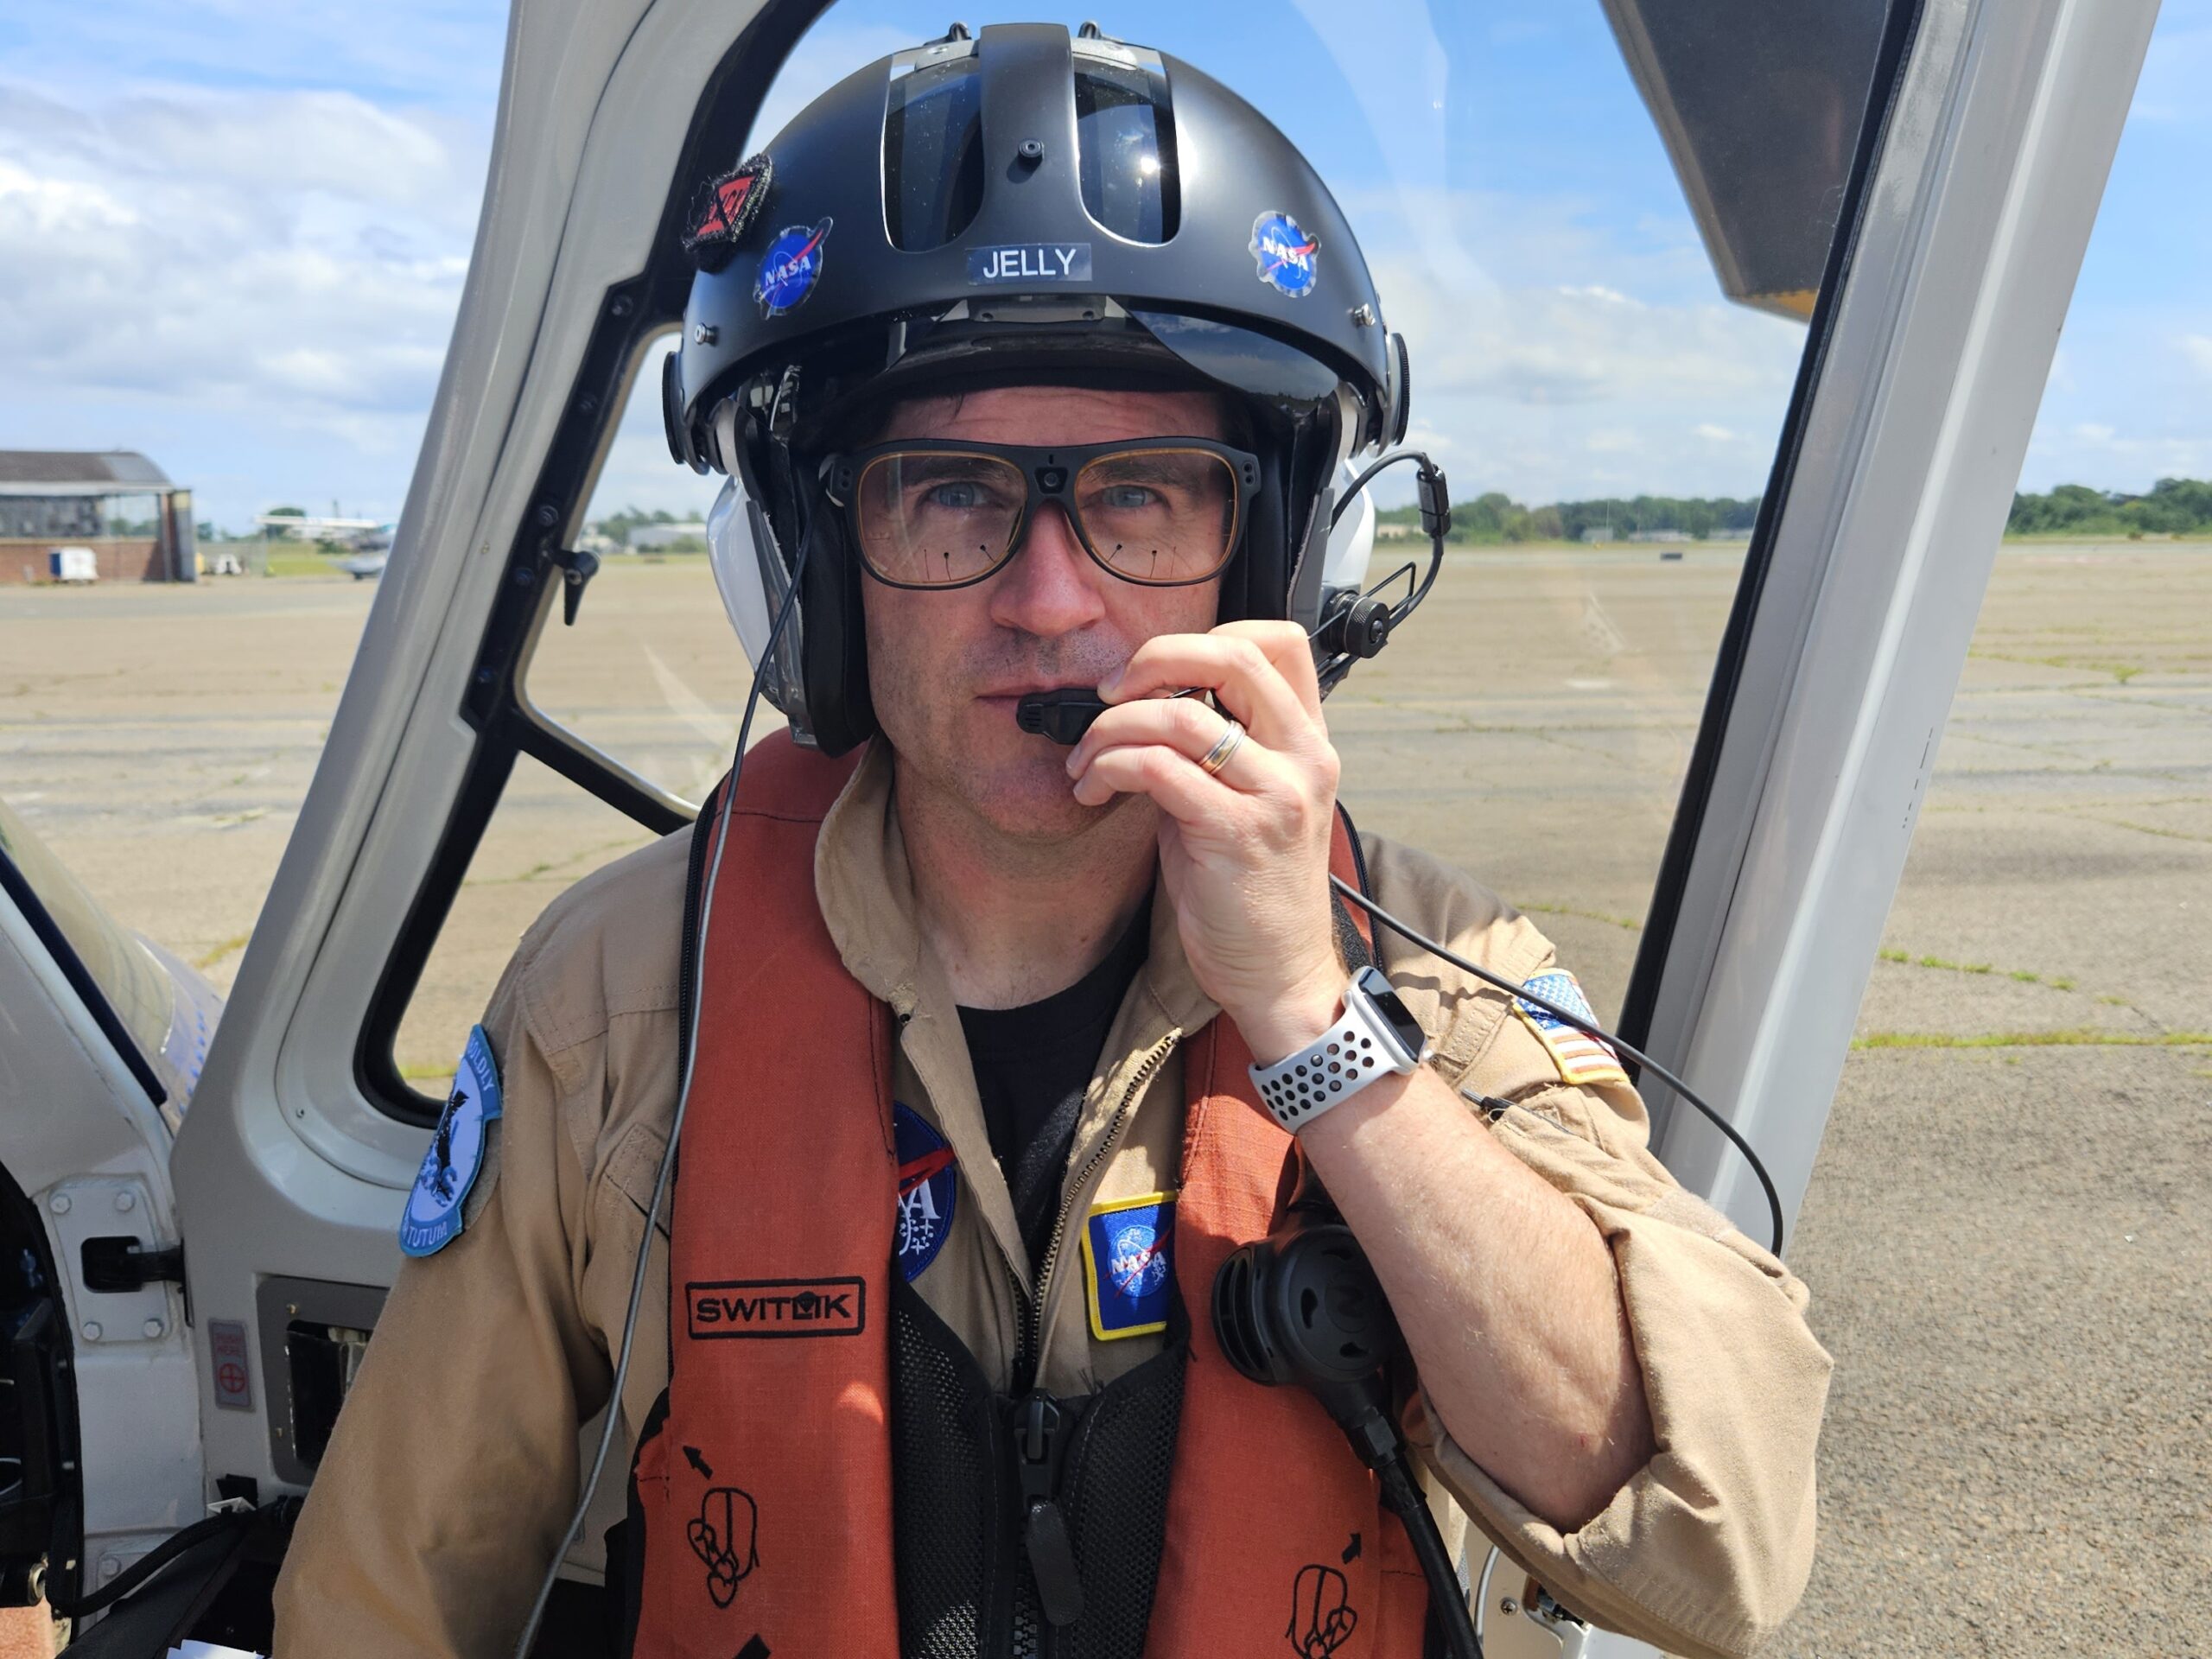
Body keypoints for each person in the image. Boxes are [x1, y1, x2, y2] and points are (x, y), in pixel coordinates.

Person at [275, 23, 1829, 1659]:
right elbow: (386, 1602)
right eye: (945, 494)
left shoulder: (1435, 979)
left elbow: (1714, 1552)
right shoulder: (616, 1002)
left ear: (1282, 557)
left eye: (1146, 494)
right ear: (807, 565)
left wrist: (1310, 1016)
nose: (1048, 601)